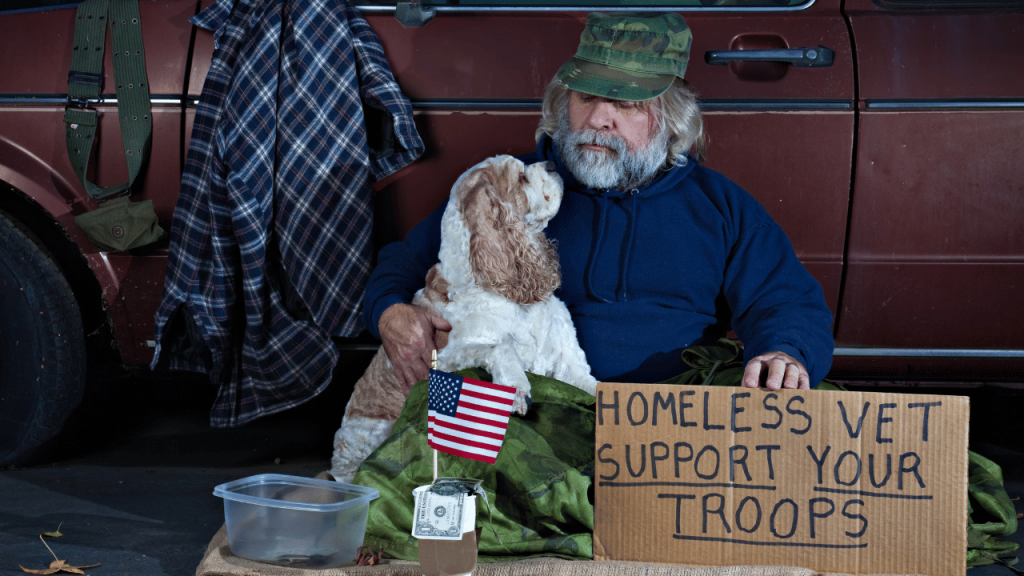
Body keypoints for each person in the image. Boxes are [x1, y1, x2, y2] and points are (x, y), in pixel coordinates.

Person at [362, 11, 835, 394]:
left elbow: (786, 301)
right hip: (529, 401)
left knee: (811, 404)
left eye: (628, 105)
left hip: (670, 410)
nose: (600, 119)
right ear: (561, 104)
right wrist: (390, 312)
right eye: (587, 97)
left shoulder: (719, 206)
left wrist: (785, 351)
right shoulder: (508, 189)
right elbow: (404, 264)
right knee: (438, 454)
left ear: (671, 120)